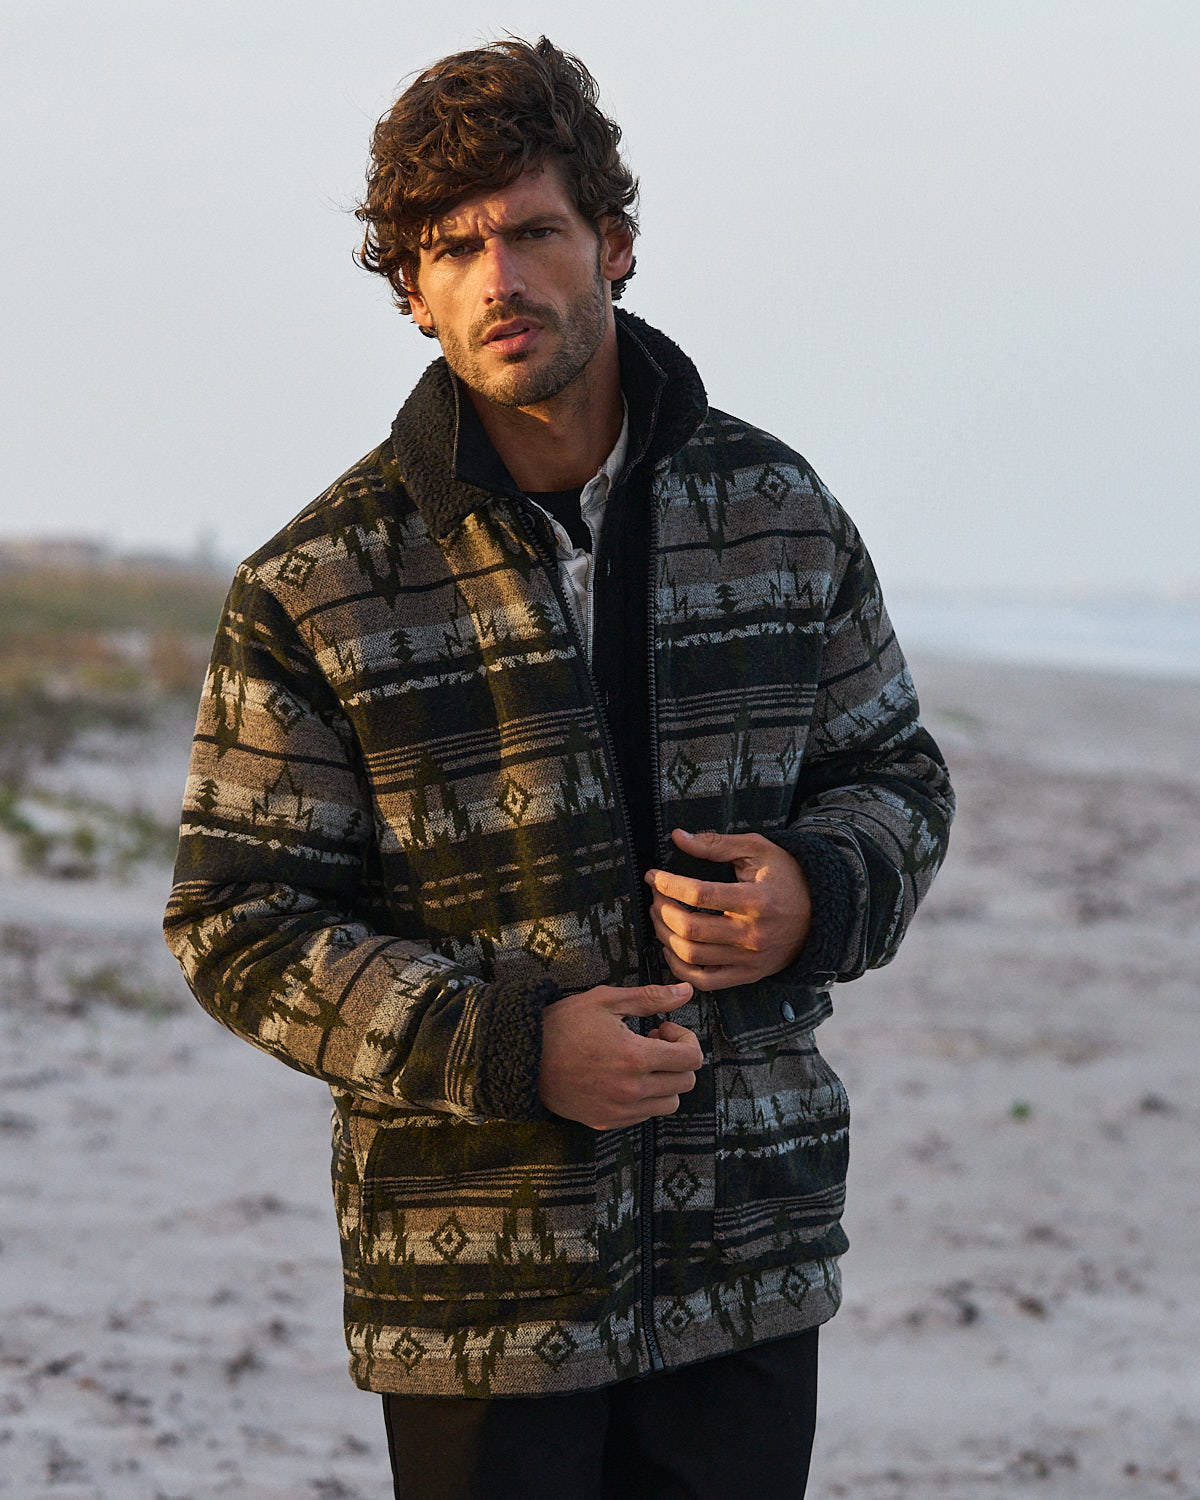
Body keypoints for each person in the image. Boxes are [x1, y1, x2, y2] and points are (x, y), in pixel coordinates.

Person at [165, 35, 954, 1499]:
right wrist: (515, 1048)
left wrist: (814, 885)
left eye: (532, 230)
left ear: (616, 244)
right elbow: (238, 922)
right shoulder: (317, 584)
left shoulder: (780, 513)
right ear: (410, 289)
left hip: (748, 1250)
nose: (498, 276)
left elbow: (897, 773)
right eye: (451, 247)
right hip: (479, 1289)